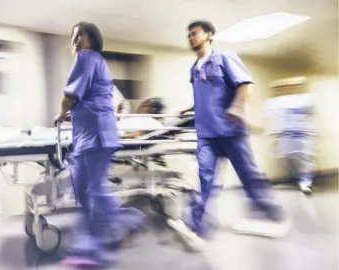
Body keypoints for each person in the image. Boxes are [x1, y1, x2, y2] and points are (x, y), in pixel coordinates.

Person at [170, 20, 289, 251]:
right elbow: (203, 99)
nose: (191, 38)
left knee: (249, 176)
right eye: (189, 35)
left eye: (195, 33)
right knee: (203, 180)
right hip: (207, 136)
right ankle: (194, 226)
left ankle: (272, 215)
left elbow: (246, 85)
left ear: (209, 35)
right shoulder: (194, 69)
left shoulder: (223, 57)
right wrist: (186, 110)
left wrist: (236, 106)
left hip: (231, 132)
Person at [54, 22, 145, 268]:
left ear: (91, 39)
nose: (75, 41)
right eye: (72, 37)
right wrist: (73, 114)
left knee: (93, 190)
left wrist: (61, 114)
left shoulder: (87, 57)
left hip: (97, 135)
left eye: (79, 35)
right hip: (85, 137)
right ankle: (121, 226)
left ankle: (95, 248)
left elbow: (69, 96)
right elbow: (86, 100)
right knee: (82, 190)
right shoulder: (93, 63)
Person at [263, 77, 315, 194]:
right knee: (285, 157)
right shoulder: (277, 102)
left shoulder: (306, 99)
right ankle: (295, 178)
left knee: (304, 159)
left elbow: (309, 114)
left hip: (302, 134)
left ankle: (306, 182)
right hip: (285, 134)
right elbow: (273, 118)